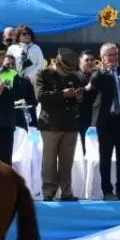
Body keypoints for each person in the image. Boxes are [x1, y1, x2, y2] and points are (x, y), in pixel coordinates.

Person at [34, 48, 84, 201]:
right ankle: (49, 191)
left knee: (67, 161)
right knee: (49, 160)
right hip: (50, 124)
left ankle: (66, 191)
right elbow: (40, 96)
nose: (67, 74)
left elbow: (78, 99)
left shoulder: (74, 76)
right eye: (65, 70)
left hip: (70, 123)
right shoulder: (43, 74)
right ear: (57, 63)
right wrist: (62, 94)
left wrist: (78, 96)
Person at [85, 42, 120, 200]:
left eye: (115, 54)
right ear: (103, 57)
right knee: (105, 157)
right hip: (106, 120)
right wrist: (104, 69)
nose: (113, 58)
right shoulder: (98, 73)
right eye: (109, 55)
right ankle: (107, 191)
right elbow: (94, 83)